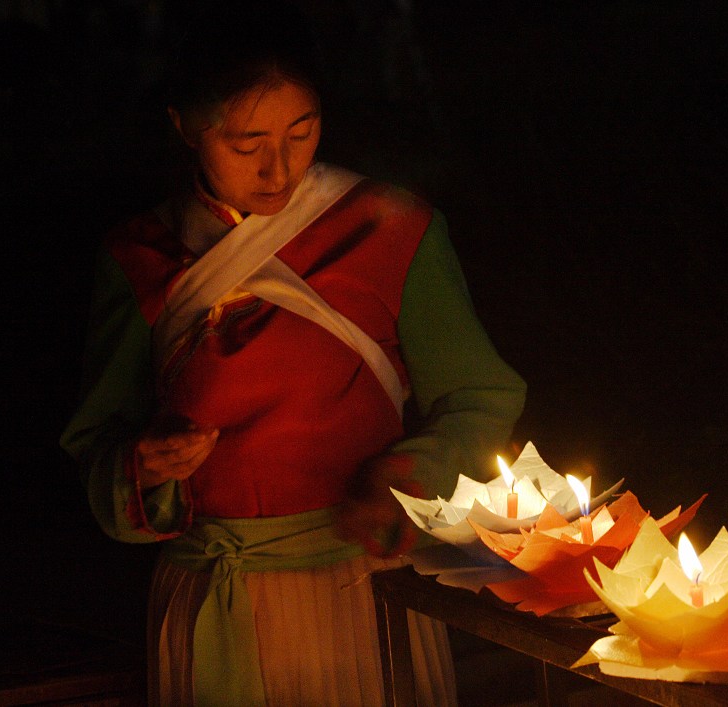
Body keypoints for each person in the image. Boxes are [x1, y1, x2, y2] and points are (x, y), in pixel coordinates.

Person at [59, 2, 526, 705]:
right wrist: (143, 463)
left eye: (302, 132)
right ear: (184, 126)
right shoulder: (140, 257)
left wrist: (406, 475)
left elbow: (480, 398)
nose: (279, 168)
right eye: (247, 143)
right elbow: (97, 438)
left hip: (359, 584)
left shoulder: (390, 229)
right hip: (213, 585)